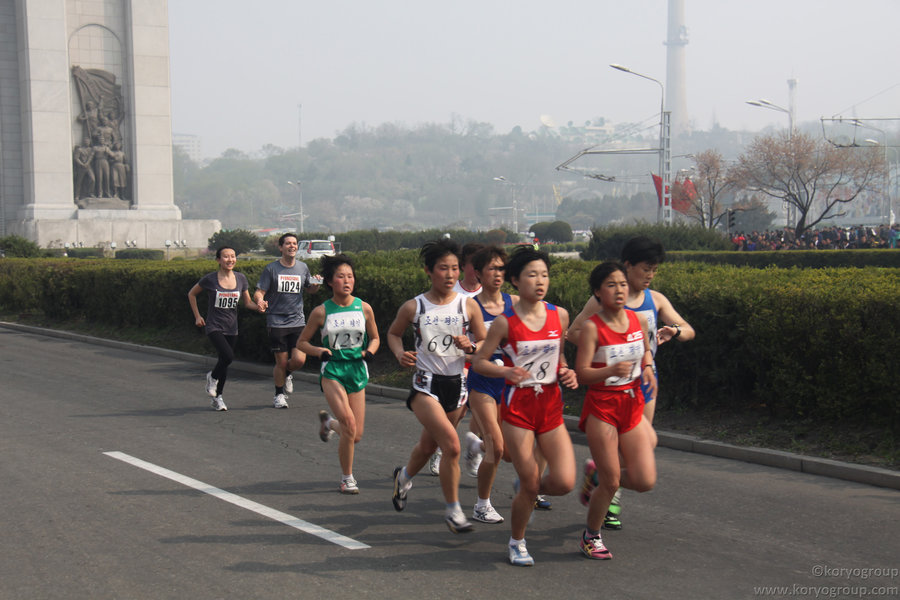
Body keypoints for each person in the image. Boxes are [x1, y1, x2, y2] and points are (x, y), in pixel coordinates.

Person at [568, 236, 694, 529]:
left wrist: (673, 332)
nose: (649, 275)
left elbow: (689, 330)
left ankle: (601, 480)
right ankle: (609, 499)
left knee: (642, 446)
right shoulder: (601, 300)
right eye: (645, 269)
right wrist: (603, 344)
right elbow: (573, 332)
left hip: (644, 381)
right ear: (628, 266)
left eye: (654, 270)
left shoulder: (656, 300)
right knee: (627, 451)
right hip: (609, 388)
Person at [471, 247, 578, 566]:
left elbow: (558, 356)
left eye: (544, 274)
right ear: (516, 280)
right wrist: (506, 371)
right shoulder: (506, 323)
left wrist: (566, 371)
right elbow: (478, 363)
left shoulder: (559, 315)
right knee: (531, 482)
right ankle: (517, 541)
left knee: (564, 482)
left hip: (551, 408)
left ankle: (527, 489)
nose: (540, 281)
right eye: (532, 275)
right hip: (518, 411)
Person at [388, 238, 486, 533]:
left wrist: (472, 345)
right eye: (443, 268)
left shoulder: (468, 306)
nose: (450, 274)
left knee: (428, 446)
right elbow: (393, 334)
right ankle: (454, 511)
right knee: (453, 447)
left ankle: (403, 478)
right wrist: (399, 353)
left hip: (457, 385)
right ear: (429, 271)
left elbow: (484, 343)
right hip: (425, 386)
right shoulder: (414, 306)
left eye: (455, 268)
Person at [574, 261, 658, 560]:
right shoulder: (592, 328)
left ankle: (596, 475)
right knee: (613, 482)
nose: (619, 289)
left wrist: (646, 366)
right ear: (598, 292)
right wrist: (609, 369)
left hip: (632, 404)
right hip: (603, 408)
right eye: (611, 285)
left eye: (622, 283)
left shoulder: (638, 320)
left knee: (645, 480)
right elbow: (582, 374)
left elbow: (645, 348)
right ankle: (591, 536)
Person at [297, 254, 380, 494]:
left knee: (355, 435)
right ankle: (347, 478)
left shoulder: (364, 308)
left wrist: (370, 351)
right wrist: (319, 351)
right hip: (333, 371)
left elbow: (375, 337)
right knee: (350, 423)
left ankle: (329, 424)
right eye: (341, 277)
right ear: (330, 282)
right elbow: (302, 343)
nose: (347, 281)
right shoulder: (321, 312)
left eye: (350, 276)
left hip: (357, 370)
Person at [463, 245, 517, 524]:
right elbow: (459, 342)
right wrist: (469, 347)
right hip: (482, 380)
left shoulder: (516, 302)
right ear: (479, 273)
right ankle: (482, 505)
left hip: (510, 382)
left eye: (501, 268)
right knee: (496, 446)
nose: (498, 274)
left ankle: (476, 445)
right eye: (492, 269)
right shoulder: (470, 305)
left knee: (508, 453)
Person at [187, 246, 261, 411]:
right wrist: (198, 316)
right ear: (218, 260)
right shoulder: (210, 279)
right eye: (226, 257)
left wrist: (260, 307)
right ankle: (212, 378)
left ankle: (218, 398)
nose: (230, 260)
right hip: (214, 325)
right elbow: (191, 294)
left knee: (224, 361)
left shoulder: (241, 278)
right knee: (228, 356)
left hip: (231, 327)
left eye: (233, 256)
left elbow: (247, 303)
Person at [253, 233, 321, 408]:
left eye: (294, 243)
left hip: (297, 320)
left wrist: (316, 284)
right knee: (281, 362)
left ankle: (287, 373)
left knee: (299, 360)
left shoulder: (303, 267)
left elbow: (310, 290)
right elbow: (259, 291)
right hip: (276, 321)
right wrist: (260, 301)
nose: (292, 246)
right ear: (280, 247)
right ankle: (278, 395)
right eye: (288, 243)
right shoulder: (271, 269)